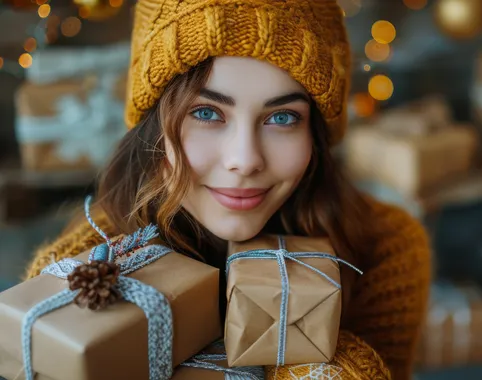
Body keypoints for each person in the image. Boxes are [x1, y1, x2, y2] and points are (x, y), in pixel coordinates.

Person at [24, 0, 431, 378]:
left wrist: (311, 336)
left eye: (284, 117)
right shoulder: (89, 268)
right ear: (153, 128)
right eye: (206, 112)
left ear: (317, 135)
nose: (245, 159)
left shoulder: (384, 244)